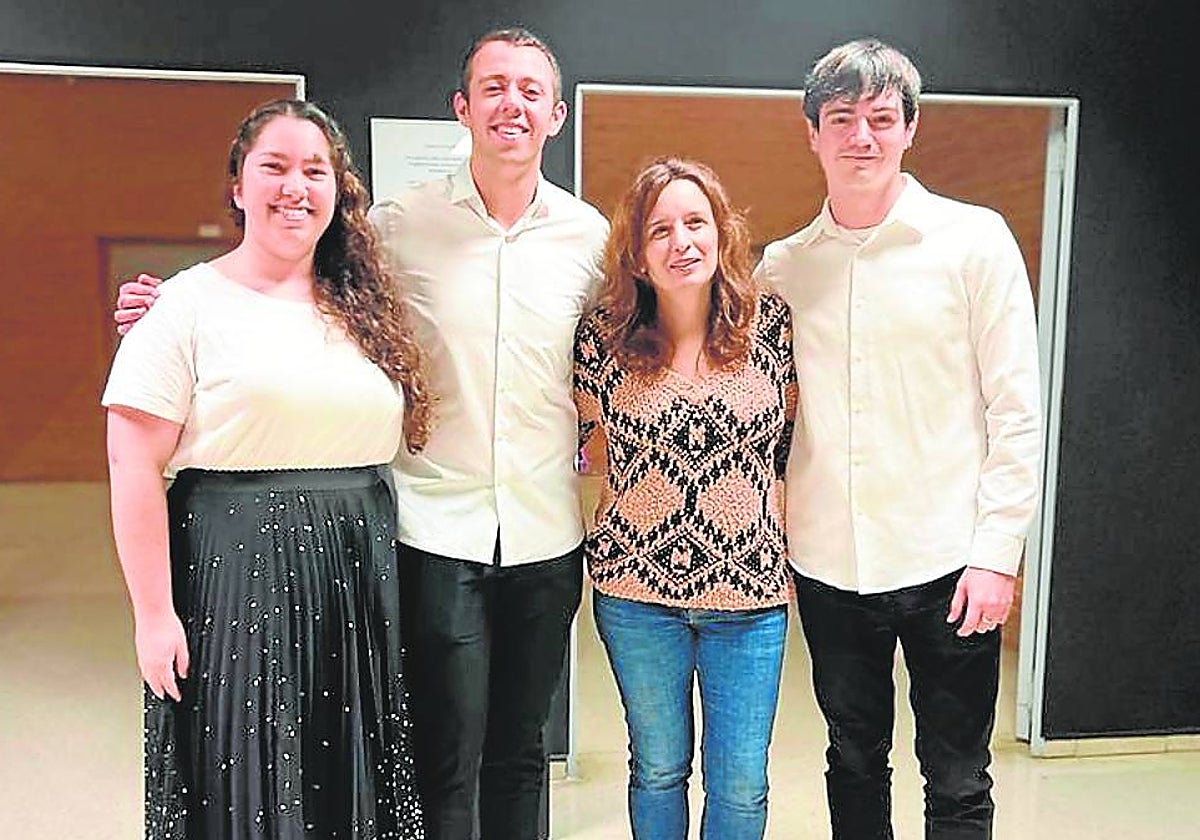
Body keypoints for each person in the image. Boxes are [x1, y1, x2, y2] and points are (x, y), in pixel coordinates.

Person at [115, 28, 607, 840]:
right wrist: (166, 303)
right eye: (492, 87)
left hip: (546, 529)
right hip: (433, 526)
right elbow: (288, 272)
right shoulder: (399, 224)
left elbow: (637, 337)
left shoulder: (591, 238)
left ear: (555, 116)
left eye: (529, 90)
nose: (510, 104)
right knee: (441, 753)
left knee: (522, 753)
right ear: (463, 108)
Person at [103, 99, 430, 839]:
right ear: (238, 186)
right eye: (274, 167)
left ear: (337, 190)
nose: (296, 187)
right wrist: (152, 616)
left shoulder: (364, 308)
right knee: (247, 765)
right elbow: (131, 461)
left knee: (347, 777)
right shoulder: (184, 305)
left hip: (354, 570)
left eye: (315, 171)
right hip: (236, 569)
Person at [754, 39, 1043, 839]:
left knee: (956, 775)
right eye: (842, 118)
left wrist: (997, 554)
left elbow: (1017, 408)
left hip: (950, 564)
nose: (862, 137)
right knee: (852, 760)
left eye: (882, 118)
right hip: (828, 567)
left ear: (910, 128)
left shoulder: (973, 242)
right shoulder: (783, 268)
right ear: (811, 131)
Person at [574, 157, 797, 839]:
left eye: (695, 223)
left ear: (722, 234)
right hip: (637, 597)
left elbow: (787, 450)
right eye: (660, 229)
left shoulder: (773, 329)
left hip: (751, 600)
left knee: (739, 782)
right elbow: (584, 449)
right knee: (659, 768)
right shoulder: (601, 339)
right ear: (637, 254)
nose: (682, 242)